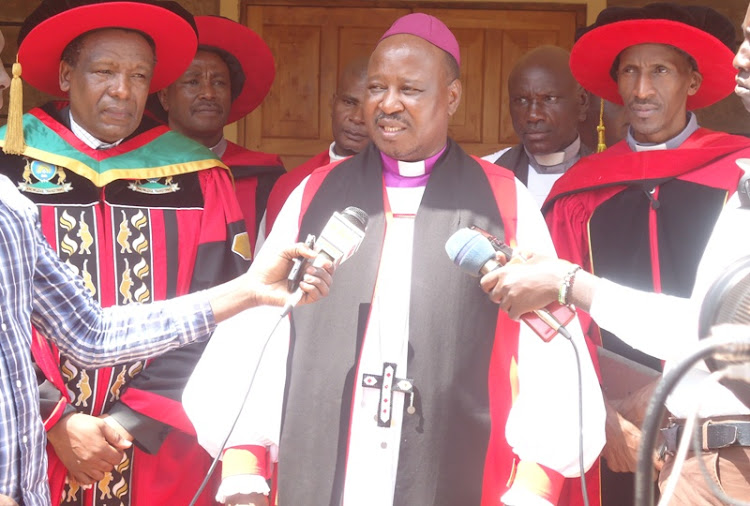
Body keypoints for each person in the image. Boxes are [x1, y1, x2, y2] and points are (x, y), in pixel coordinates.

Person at [184, 13, 605, 506]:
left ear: (451, 97)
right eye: (377, 87)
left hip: (460, 471)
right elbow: (258, 326)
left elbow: (549, 345)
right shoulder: (315, 194)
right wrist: (244, 468)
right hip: (330, 466)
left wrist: (536, 485)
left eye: (410, 89)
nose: (387, 104)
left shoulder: (504, 202)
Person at [0, 1, 256, 505]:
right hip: (30, 437)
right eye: (105, 71)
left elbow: (221, 310)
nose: (123, 90)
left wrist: (129, 422)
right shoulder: (10, 167)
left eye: (139, 75)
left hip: (156, 442)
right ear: (67, 75)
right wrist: (56, 418)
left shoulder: (198, 177)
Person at [538, 2, 750, 503]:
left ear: (692, 81)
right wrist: (601, 413)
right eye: (630, 71)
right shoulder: (577, 195)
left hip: (717, 431)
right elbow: (556, 320)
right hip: (614, 426)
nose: (641, 90)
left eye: (659, 71)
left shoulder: (739, 174)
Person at [156, 16, 285, 252]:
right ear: (165, 97)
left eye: (219, 83)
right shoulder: (137, 172)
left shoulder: (264, 175)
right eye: (193, 82)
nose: (208, 93)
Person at [262, 56, 370, 235]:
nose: (357, 118)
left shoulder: (399, 184)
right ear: (332, 103)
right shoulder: (291, 185)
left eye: (369, 109)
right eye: (349, 102)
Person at [482, 46, 590, 207]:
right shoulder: (486, 174)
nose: (533, 116)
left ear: (581, 102)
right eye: (521, 100)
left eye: (549, 99)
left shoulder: (608, 176)